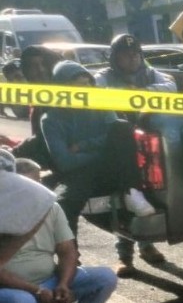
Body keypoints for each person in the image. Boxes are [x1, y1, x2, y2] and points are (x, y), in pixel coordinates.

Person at [0, 156, 117, 303]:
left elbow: (67, 251)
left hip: (48, 281)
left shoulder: (50, 208)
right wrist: (37, 290)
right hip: (12, 288)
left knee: (105, 278)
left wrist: (63, 283)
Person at [41, 61, 157, 244]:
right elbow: (64, 161)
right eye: (79, 86)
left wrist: (82, 145)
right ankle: (71, 259)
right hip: (79, 174)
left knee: (122, 127)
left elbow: (116, 136)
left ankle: (132, 193)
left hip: (109, 165)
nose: (86, 89)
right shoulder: (50, 119)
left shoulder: (101, 104)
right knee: (63, 205)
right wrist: (100, 151)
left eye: (88, 84)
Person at [94, 34, 175, 273]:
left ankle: (146, 245)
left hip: (147, 142)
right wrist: (123, 92)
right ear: (114, 57)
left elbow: (170, 85)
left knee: (146, 194)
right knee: (124, 195)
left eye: (136, 54)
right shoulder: (104, 76)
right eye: (126, 55)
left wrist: (141, 90)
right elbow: (98, 90)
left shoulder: (149, 74)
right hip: (118, 145)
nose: (132, 59)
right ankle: (124, 255)